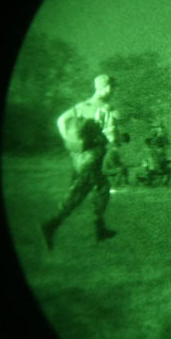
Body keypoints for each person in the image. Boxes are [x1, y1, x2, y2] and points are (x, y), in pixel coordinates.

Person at [39, 74, 120, 249]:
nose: (113, 91)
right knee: (78, 195)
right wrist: (115, 139)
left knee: (101, 188)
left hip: (80, 157)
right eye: (111, 87)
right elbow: (112, 135)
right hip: (92, 158)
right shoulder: (105, 108)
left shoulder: (81, 106)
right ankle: (50, 225)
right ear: (104, 87)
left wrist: (70, 141)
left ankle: (99, 228)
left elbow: (61, 120)